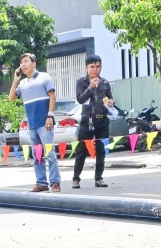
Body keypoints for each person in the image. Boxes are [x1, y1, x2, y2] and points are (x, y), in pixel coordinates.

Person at [9, 52, 61, 192]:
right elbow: (11, 98)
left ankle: (55, 182)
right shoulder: (23, 83)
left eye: (26, 61)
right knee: (37, 155)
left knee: (49, 154)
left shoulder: (44, 77)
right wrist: (15, 80)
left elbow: (52, 96)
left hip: (44, 123)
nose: (23, 64)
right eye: (21, 62)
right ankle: (41, 183)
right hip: (32, 125)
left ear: (34, 64)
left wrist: (50, 116)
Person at [72, 55, 114, 189]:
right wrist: (90, 87)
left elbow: (109, 98)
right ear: (87, 68)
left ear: (101, 67)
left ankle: (99, 178)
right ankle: (76, 178)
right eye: (92, 67)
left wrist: (111, 102)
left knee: (101, 150)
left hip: (102, 119)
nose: (95, 69)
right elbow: (80, 99)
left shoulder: (105, 83)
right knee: (82, 149)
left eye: (98, 66)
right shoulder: (81, 82)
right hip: (87, 119)